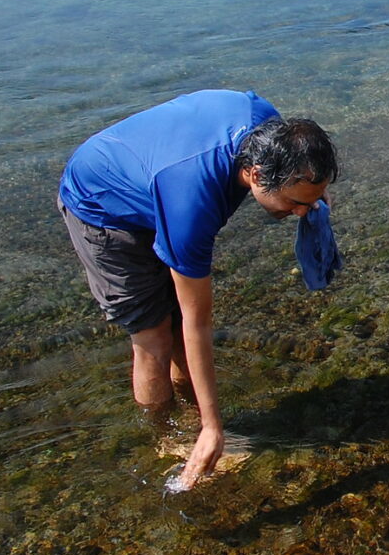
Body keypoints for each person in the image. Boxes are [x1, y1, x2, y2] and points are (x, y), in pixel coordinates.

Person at [58, 89, 338, 488]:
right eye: (296, 202)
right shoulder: (191, 204)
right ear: (257, 175)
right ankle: (166, 438)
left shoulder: (272, 129)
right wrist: (214, 426)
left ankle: (190, 414)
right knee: (155, 336)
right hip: (102, 208)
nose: (301, 212)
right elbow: (199, 323)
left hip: (149, 176)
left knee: (173, 323)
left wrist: (311, 195)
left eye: (310, 200)